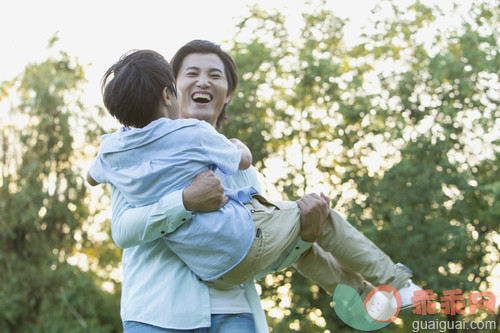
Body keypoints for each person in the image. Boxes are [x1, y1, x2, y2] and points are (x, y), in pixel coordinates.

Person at [88, 46, 421, 325]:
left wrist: (304, 235)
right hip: (159, 314)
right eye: (191, 73)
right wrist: (185, 200)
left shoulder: (119, 154)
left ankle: (366, 301)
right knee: (318, 225)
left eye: (215, 75)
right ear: (170, 90)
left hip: (234, 305)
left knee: (304, 239)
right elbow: (122, 230)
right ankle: (393, 283)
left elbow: (258, 249)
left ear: (229, 92)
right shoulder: (158, 149)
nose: (203, 81)